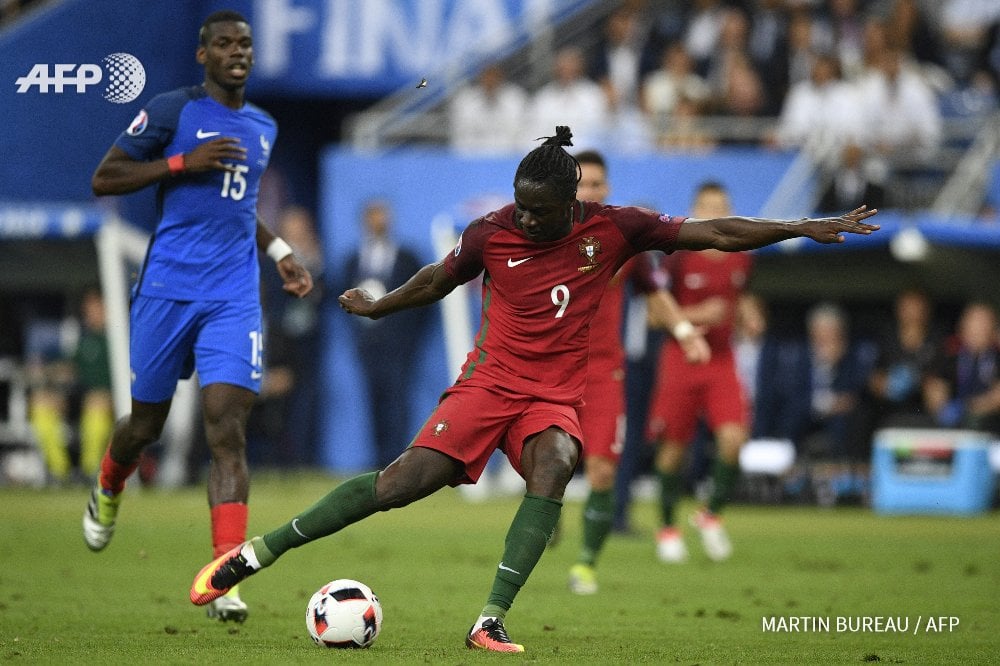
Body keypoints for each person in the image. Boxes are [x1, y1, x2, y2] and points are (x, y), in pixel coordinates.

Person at [189, 126, 879, 653]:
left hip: (552, 395)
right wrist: (381, 304)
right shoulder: (492, 232)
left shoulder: (614, 228)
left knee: (559, 461)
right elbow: (438, 278)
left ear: (570, 201)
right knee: (399, 485)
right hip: (487, 384)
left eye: (540, 211)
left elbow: (719, 232)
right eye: (520, 206)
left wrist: (801, 227)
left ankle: (489, 619)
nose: (527, 218)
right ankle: (255, 553)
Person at [83, 10, 313, 624]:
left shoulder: (263, 125)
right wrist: (183, 164)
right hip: (167, 290)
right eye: (224, 44)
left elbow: (238, 208)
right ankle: (109, 485)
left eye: (245, 44)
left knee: (226, 427)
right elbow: (105, 178)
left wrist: (280, 251)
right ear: (202, 55)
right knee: (145, 426)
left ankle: (224, 577)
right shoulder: (171, 111)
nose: (237, 52)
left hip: (233, 295)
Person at [567, 151, 710, 596]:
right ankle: (543, 516)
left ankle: (586, 565)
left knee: (604, 472)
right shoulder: (547, 238)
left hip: (606, 370)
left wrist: (685, 330)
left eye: (597, 184)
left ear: (607, 188)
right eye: (583, 184)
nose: (591, 191)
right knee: (548, 467)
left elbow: (654, 293)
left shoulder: (623, 240)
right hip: (554, 369)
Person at [646, 181, 752, 564]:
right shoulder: (677, 256)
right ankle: (668, 527)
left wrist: (750, 317)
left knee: (734, 439)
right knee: (673, 450)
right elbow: (653, 314)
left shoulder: (742, 256)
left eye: (720, 206)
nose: (713, 213)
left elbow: (740, 303)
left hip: (723, 360)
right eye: (706, 206)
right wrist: (696, 316)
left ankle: (710, 515)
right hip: (682, 358)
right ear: (693, 211)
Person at [342, 200, 430, 468]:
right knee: (374, 403)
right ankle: (378, 462)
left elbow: (425, 302)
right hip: (370, 346)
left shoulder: (407, 258)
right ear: (364, 220)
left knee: (398, 403)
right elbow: (343, 300)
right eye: (373, 215)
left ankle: (399, 461)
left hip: (400, 347)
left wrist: (410, 340)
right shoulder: (353, 260)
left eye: (383, 215)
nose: (379, 221)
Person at [924, 301, 1000, 435]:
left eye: (982, 324)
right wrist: (942, 407)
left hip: (992, 428)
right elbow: (934, 390)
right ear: (962, 327)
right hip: (952, 430)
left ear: (993, 329)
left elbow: (997, 398)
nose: (976, 330)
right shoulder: (948, 354)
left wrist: (967, 408)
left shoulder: (996, 356)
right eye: (972, 323)